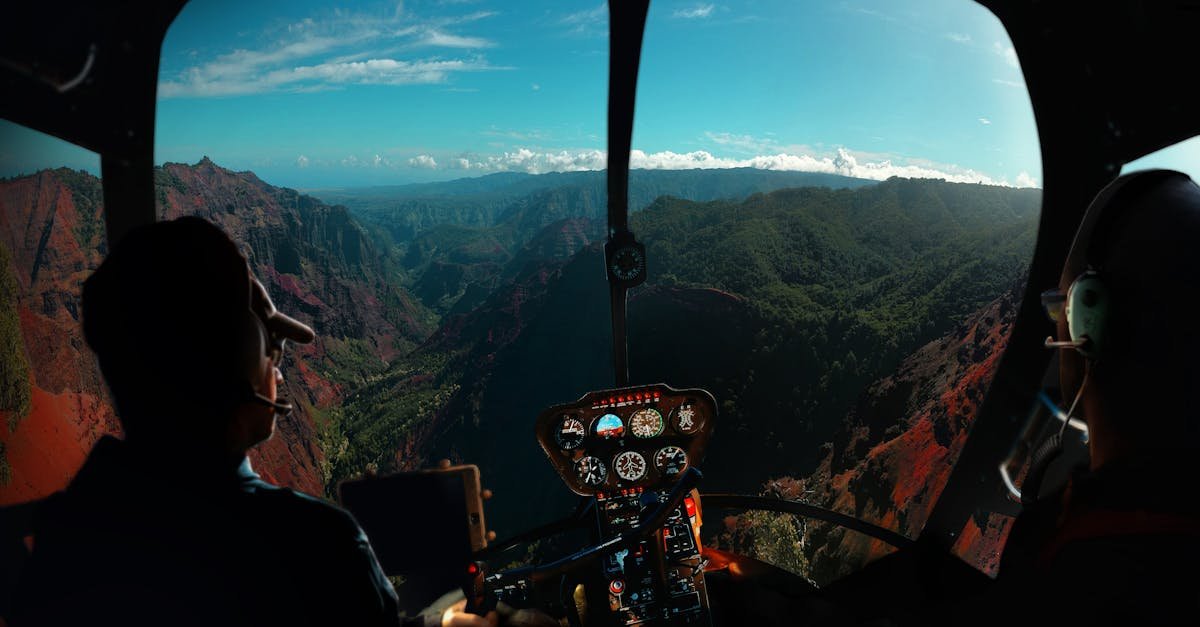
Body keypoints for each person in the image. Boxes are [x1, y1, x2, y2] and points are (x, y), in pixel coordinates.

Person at [8, 216, 496, 627]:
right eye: (269, 350)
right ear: (238, 366)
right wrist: (444, 590)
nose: (278, 368)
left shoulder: (63, 535)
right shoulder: (318, 544)